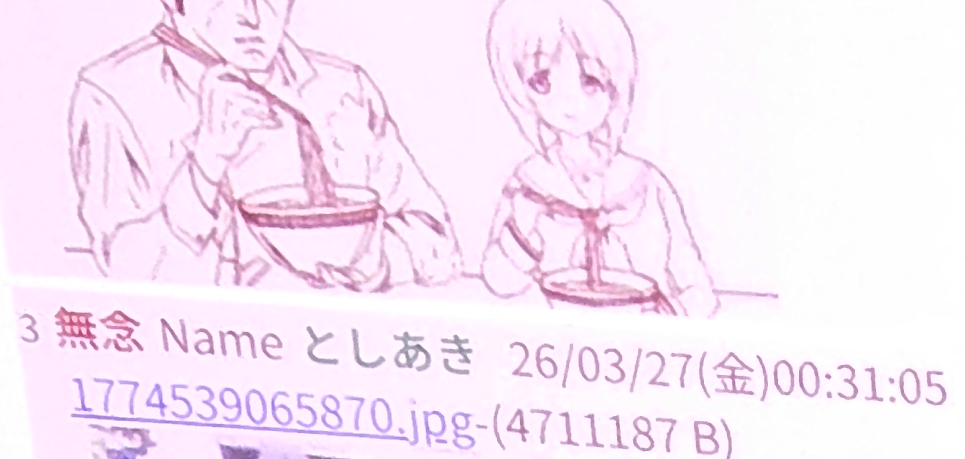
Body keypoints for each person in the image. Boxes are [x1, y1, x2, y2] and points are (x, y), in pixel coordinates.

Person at [68, 0, 456, 290]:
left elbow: (435, 240)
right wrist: (204, 166)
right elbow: (130, 278)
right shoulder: (115, 92)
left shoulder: (341, 87)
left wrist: (375, 263)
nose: (252, 16)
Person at [475, 0, 717, 316]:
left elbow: (697, 287)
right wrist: (521, 228)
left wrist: (668, 319)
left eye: (590, 81)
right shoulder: (529, 184)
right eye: (542, 81)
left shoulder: (645, 183)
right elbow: (500, 283)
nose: (568, 101)